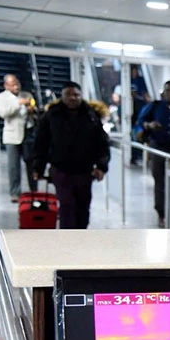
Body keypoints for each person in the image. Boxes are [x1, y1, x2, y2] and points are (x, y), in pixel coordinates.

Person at [33, 81, 110, 229]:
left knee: (83, 207)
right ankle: (67, 241)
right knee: (67, 206)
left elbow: (102, 144)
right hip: (61, 170)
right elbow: (41, 143)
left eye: (76, 94)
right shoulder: (52, 116)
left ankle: (80, 237)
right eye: (68, 94)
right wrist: (38, 167)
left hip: (84, 171)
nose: (73, 98)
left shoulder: (91, 116)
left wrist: (101, 166)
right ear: (62, 97)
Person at [135, 80, 170, 228]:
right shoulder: (155, 106)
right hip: (158, 147)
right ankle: (161, 213)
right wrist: (149, 125)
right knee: (160, 181)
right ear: (163, 92)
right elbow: (141, 121)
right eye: (167, 90)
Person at [0, 74, 34, 202]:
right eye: (13, 85)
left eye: (17, 83)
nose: (16, 86)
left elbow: (34, 110)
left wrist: (31, 110)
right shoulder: (0, 98)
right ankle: (15, 193)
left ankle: (34, 191)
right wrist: (18, 104)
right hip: (12, 136)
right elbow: (3, 113)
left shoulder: (26, 95)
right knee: (14, 166)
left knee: (31, 164)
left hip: (28, 134)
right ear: (6, 86)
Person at [129, 66, 151, 165]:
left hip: (139, 118)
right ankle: (133, 157)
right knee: (133, 137)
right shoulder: (127, 81)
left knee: (138, 137)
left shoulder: (141, 81)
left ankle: (140, 157)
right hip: (132, 118)